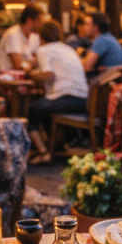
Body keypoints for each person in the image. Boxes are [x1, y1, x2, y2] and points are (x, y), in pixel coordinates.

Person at [26, 20, 89, 164]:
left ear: (41, 37)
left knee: (31, 110)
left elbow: (49, 75)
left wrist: (30, 74)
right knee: (44, 110)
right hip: (82, 99)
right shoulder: (68, 48)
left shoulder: (43, 50)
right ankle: (56, 146)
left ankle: (43, 152)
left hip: (65, 98)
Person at [0, 4, 43, 71]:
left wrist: (29, 63)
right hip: (8, 79)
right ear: (29, 20)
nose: (41, 25)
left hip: (25, 78)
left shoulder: (34, 36)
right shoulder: (13, 34)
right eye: (39, 22)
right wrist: (32, 63)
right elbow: (18, 66)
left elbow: (41, 58)